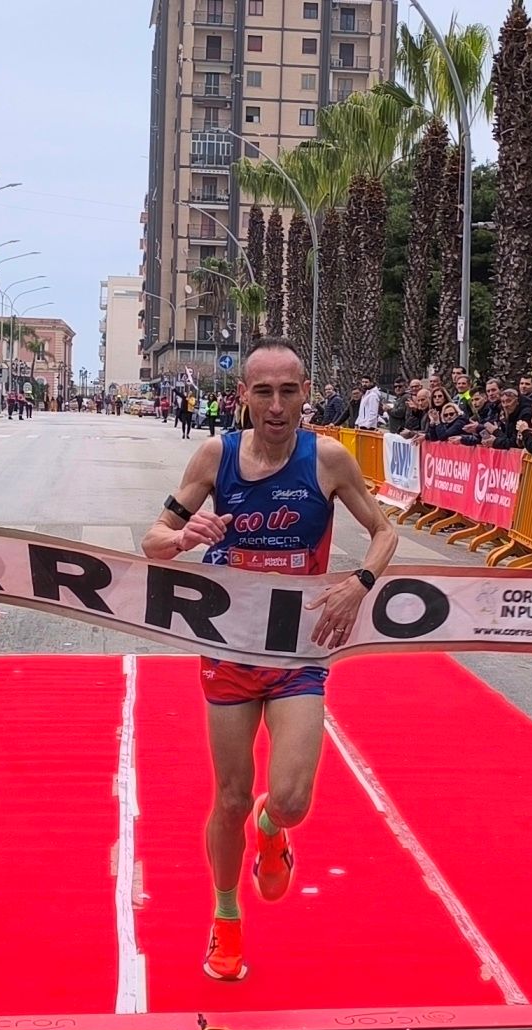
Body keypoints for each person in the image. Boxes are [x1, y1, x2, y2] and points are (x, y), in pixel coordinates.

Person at [142, 336, 399, 981]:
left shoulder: (328, 459)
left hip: (297, 650)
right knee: (229, 797)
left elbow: (384, 531)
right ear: (244, 396)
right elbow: (152, 542)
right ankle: (226, 915)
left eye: (288, 391)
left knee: (290, 799)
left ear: (306, 393)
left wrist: (361, 583)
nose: (277, 406)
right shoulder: (216, 455)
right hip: (228, 647)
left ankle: (272, 827)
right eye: (264, 392)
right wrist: (183, 535)